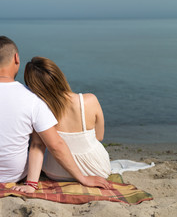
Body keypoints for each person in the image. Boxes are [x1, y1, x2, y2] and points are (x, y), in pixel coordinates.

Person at [0, 36, 110, 190]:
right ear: (17, 58)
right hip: (16, 175)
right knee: (33, 128)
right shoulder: (33, 98)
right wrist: (82, 178)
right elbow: (56, 144)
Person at [13, 56, 111, 192]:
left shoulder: (40, 110)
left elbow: (37, 146)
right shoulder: (90, 100)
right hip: (96, 169)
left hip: (56, 171)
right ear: (59, 76)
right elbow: (99, 137)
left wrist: (31, 184)